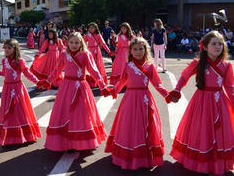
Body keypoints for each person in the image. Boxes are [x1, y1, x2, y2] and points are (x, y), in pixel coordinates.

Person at [169, 31, 234, 175]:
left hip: (219, 102)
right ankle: (201, 162)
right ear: (204, 47)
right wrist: (177, 90)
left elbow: (230, 88)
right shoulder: (198, 63)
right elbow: (183, 77)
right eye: (214, 44)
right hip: (202, 101)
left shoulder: (227, 66)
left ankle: (216, 162)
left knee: (219, 132)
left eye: (220, 44)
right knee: (202, 130)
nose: (218, 47)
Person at [105, 37, 171, 169]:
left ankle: (144, 155)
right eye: (135, 49)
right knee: (128, 124)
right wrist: (113, 91)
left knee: (145, 124)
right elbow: (121, 82)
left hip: (144, 98)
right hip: (129, 98)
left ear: (146, 50)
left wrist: (167, 95)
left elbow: (158, 84)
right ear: (130, 51)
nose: (138, 51)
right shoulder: (127, 66)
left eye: (141, 49)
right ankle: (128, 153)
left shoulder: (150, 66)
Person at [38, 32, 110, 151]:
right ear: (67, 43)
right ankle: (66, 142)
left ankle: (80, 142)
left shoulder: (86, 54)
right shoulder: (63, 54)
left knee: (81, 114)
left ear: (81, 42)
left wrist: (102, 86)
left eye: (77, 42)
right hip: (66, 86)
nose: (74, 45)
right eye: (71, 42)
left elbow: (94, 71)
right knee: (65, 112)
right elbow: (57, 70)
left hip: (81, 86)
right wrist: (48, 81)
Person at [0, 39, 42, 146]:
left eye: (9, 48)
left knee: (20, 110)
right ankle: (9, 136)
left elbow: (27, 73)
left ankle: (25, 135)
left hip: (17, 88)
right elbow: (4, 72)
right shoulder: (4, 61)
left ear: (15, 49)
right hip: (7, 88)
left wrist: (38, 81)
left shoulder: (20, 61)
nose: (6, 50)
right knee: (7, 111)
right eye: (5, 48)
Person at [83, 22, 113, 87]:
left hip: (97, 51)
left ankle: (98, 81)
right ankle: (91, 82)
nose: (91, 29)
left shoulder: (98, 35)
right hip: (90, 51)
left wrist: (109, 51)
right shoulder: (87, 35)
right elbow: (82, 43)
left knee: (97, 66)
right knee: (90, 66)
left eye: (92, 28)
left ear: (96, 28)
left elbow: (103, 44)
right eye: (90, 28)